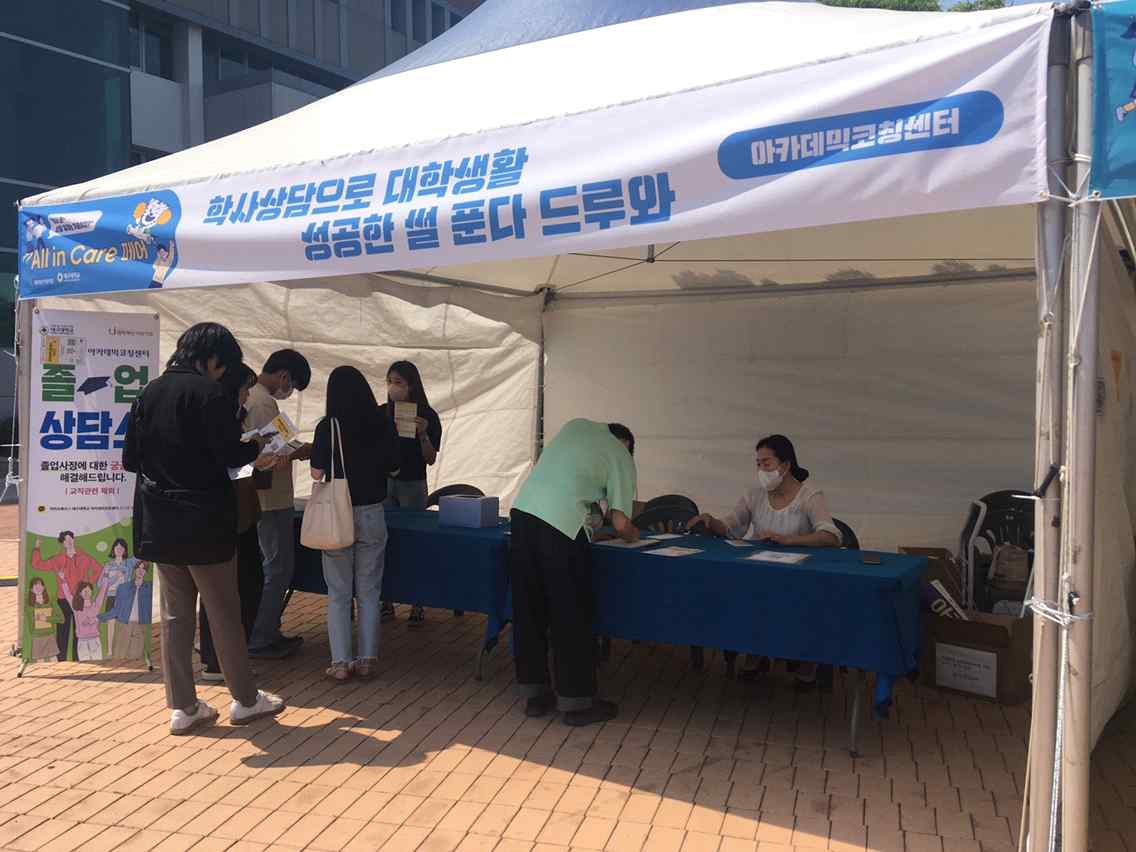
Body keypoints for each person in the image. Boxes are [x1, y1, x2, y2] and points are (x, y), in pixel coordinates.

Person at [123, 321, 284, 735]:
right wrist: (256, 446)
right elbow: (231, 453)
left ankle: (183, 707)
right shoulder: (209, 394)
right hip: (205, 522)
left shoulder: (149, 392)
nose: (222, 373)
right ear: (212, 359)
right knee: (223, 612)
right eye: (223, 365)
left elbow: (130, 459)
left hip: (160, 522)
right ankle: (245, 700)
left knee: (175, 616)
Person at [510, 420, 639, 726]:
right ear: (628, 447)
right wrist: (635, 535)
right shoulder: (621, 456)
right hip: (561, 529)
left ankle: (534, 696)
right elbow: (621, 523)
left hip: (522, 515)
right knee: (570, 614)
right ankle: (576, 703)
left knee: (530, 609)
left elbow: (569, 482)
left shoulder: (576, 427)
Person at [690, 434, 841, 686]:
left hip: (800, 576)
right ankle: (755, 653)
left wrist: (788, 540)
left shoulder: (810, 496)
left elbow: (831, 536)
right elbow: (730, 526)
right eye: (758, 463)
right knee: (744, 593)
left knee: (803, 601)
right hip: (761, 572)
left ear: (786, 465)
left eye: (766, 463)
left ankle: (807, 661)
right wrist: (710, 521)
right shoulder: (755, 495)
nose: (761, 469)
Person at [310, 366, 400, 682]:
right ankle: (367, 659)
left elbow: (317, 473)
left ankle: (340, 662)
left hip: (338, 513)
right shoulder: (382, 422)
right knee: (369, 590)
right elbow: (395, 467)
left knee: (338, 591)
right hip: (373, 511)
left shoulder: (328, 427)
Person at [199, 364, 269, 682]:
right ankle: (221, 662)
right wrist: (255, 450)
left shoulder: (229, 416)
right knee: (233, 588)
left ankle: (218, 659)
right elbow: (230, 461)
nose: (246, 397)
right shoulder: (219, 419)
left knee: (225, 588)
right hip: (229, 515)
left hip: (236, 512)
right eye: (244, 390)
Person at [245, 349, 312, 659]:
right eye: (292, 386)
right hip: (270, 499)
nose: (290, 392)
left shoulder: (253, 397)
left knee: (270, 568)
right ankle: (261, 636)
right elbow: (271, 454)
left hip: (264, 496)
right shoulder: (262, 402)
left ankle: (267, 630)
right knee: (278, 568)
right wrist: (301, 451)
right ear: (284, 376)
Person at [379, 361, 442, 626]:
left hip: (413, 484)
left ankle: (417, 603)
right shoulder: (381, 413)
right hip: (384, 483)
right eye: (389, 381)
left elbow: (430, 458)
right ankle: (386, 601)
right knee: (383, 541)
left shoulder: (427, 415)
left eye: (399, 382)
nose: (393, 387)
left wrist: (423, 434)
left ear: (411, 385)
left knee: (414, 541)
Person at [31, 531, 102, 661]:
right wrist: (36, 547)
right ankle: (61, 660)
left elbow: (99, 569)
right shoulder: (58, 559)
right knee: (62, 631)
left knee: (79, 631)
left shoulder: (84, 557)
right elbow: (37, 564)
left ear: (73, 540)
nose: (68, 541)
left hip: (80, 600)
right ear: (62, 543)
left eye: (70, 539)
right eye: (65, 540)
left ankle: (78, 658)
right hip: (63, 599)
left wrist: (88, 584)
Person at [98, 562, 153, 660]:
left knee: (135, 658)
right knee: (119, 656)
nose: (141, 570)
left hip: (140, 626)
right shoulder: (123, 587)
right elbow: (117, 609)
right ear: (134, 570)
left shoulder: (149, 587)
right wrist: (101, 617)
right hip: (123, 625)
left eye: (143, 569)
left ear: (146, 572)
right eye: (138, 568)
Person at [101, 538, 138, 655]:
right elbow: (100, 584)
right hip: (111, 597)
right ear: (113, 550)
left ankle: (122, 648)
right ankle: (110, 650)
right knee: (111, 623)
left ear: (125, 550)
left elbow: (139, 556)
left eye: (122, 548)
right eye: (117, 547)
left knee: (123, 624)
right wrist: (115, 577)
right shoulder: (108, 565)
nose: (119, 550)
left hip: (124, 597)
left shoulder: (128, 563)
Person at [63, 579, 110, 661]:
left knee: (98, 664)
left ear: (91, 592)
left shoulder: (95, 606)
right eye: (84, 590)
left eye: (89, 590)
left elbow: (101, 594)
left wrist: (105, 581)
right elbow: (68, 595)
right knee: (84, 665)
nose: (87, 592)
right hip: (82, 641)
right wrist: (64, 581)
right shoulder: (76, 607)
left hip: (94, 640)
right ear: (80, 593)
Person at [25, 577, 61, 663]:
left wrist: (47, 619)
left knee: (53, 659)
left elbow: (61, 619)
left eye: (40, 585)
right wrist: (35, 618)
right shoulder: (29, 603)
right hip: (37, 637)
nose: (38, 587)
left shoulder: (50, 601)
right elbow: (29, 622)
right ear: (31, 589)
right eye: (35, 585)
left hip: (49, 636)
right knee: (39, 661)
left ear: (44, 587)